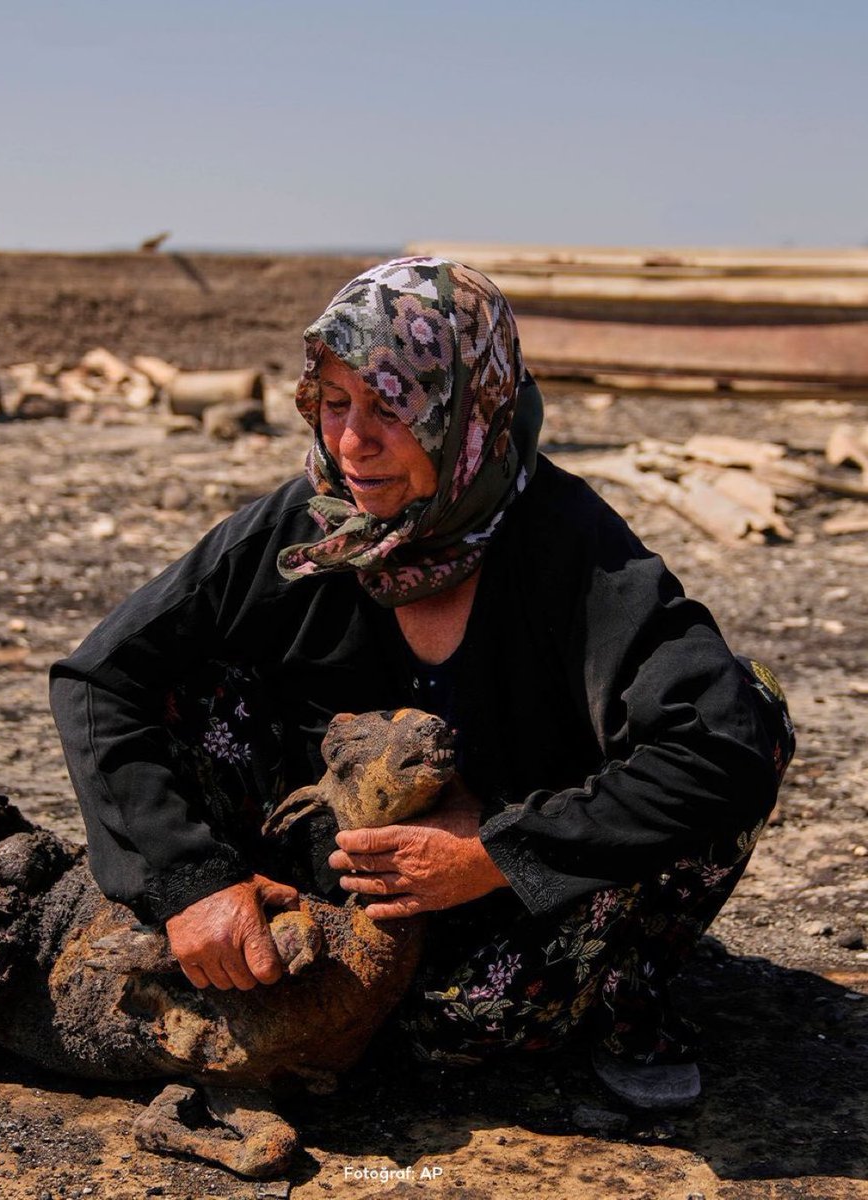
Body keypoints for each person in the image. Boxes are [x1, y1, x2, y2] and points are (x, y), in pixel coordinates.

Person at [50, 257, 794, 1108]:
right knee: (190, 677)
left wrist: (495, 852)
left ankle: (624, 1000)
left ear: (469, 414)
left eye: (392, 408)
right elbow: (99, 677)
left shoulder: (569, 548)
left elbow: (722, 739)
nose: (352, 444)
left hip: (509, 910)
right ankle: (259, 948)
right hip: (320, 902)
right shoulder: (306, 527)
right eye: (335, 404)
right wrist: (191, 881)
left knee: (752, 705)